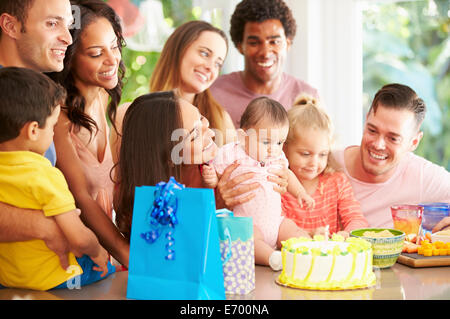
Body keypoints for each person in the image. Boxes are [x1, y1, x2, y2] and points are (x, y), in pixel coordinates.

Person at [0, 67, 114, 290]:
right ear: (33, 130)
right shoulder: (45, 175)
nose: (53, 134)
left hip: (8, 280)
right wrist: (98, 251)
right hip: (57, 278)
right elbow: (79, 238)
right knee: (108, 271)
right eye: (52, 126)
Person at [48, 0, 129, 268]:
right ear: (69, 59)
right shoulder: (57, 117)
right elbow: (80, 195)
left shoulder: (106, 100)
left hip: (112, 260)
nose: (112, 60)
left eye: (115, 47)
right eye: (96, 53)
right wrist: (126, 253)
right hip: (77, 262)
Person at [0, 0, 73, 270]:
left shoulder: (44, 98)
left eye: (68, 25)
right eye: (52, 23)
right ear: (11, 25)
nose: (67, 37)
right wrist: (49, 227)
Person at [202, 97, 313, 271]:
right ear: (243, 138)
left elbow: (287, 174)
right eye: (266, 142)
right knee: (249, 241)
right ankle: (272, 257)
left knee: (293, 230)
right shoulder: (232, 154)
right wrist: (211, 179)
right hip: (247, 223)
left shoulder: (277, 157)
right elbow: (216, 173)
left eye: (279, 142)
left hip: (276, 222)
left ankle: (307, 250)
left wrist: (301, 193)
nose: (273, 149)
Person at [111, 20, 235, 165]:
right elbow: (119, 181)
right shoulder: (127, 114)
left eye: (218, 63)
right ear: (178, 50)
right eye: (204, 53)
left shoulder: (220, 118)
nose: (211, 68)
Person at [333, 83, 450, 228]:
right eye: (372, 130)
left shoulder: (420, 175)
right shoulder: (323, 162)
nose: (378, 145)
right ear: (365, 121)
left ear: (413, 142)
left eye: (393, 138)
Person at [113, 91, 217, 242]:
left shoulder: (215, 169)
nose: (212, 133)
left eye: (201, 118)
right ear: (169, 156)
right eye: (194, 135)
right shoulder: (145, 205)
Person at [210, 0, 319, 128]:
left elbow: (324, 147)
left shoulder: (307, 98)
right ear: (240, 46)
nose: (265, 53)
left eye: (274, 42)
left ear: (288, 44)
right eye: (254, 43)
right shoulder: (213, 95)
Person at [281, 95, 369, 238]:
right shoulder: (279, 186)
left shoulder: (337, 182)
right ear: (285, 149)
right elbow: (276, 231)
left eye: (322, 154)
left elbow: (356, 219)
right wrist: (310, 235)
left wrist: (347, 234)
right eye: (305, 154)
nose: (314, 163)